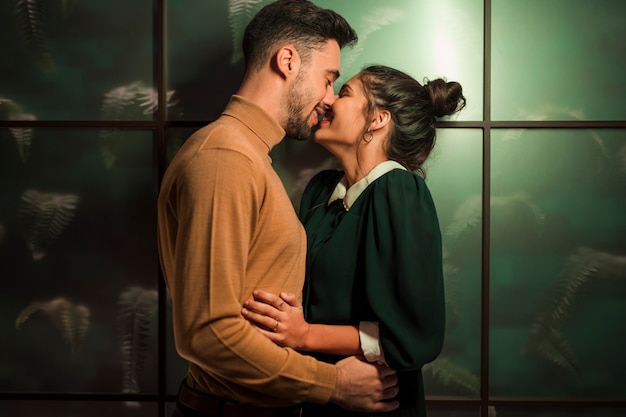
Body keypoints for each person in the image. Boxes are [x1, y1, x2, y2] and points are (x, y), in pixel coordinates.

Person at [157, 1, 400, 416]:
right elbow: (208, 332)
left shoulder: (248, 157)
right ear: (287, 60)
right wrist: (333, 383)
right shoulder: (225, 157)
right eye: (328, 80)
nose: (328, 99)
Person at [241, 65, 466, 416]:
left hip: (378, 403)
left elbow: (413, 335)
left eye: (344, 93)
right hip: (317, 396)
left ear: (377, 119)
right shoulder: (321, 190)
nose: (328, 100)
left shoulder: (399, 191)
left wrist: (305, 335)